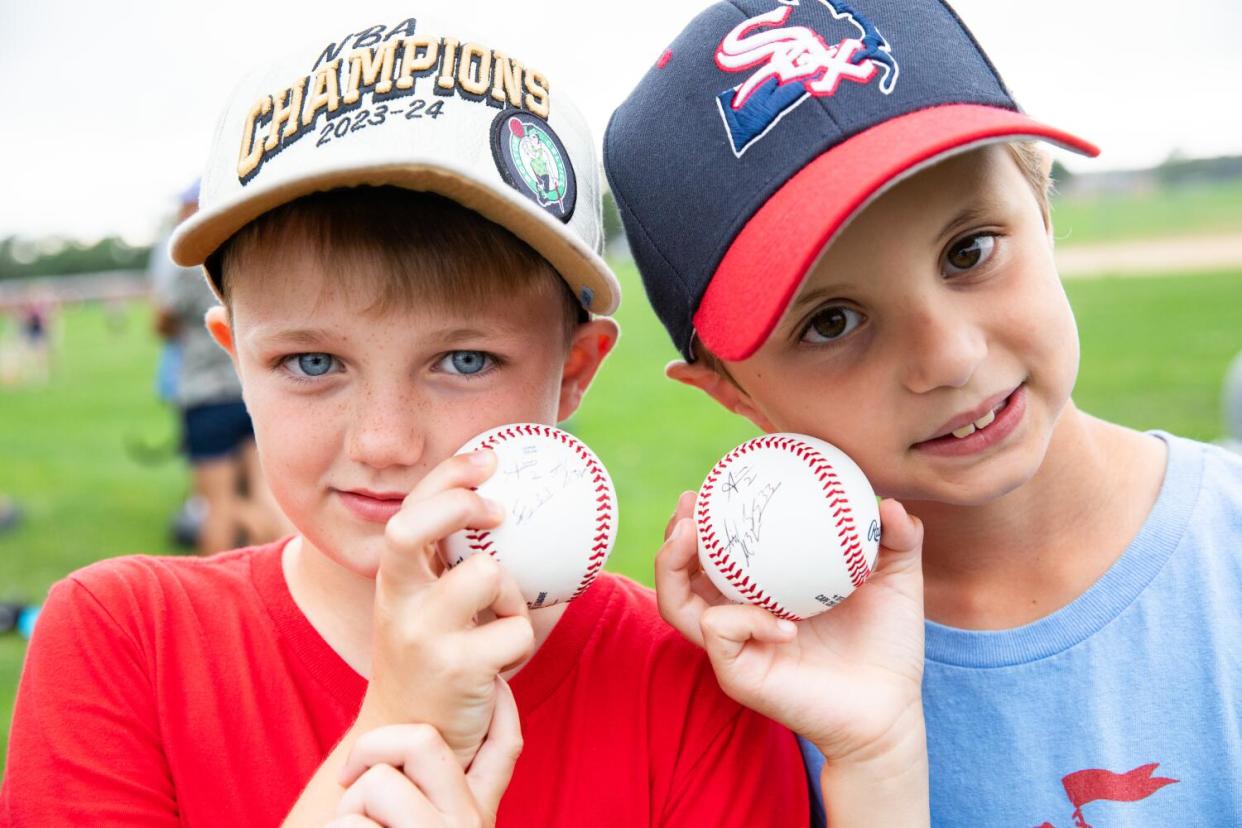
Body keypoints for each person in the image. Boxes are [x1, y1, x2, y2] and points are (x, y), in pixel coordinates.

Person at [0, 9, 810, 826]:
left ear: (573, 373)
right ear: (236, 359)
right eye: (311, 363)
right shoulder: (121, 643)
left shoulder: (685, 683)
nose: (384, 443)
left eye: (464, 361)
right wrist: (396, 725)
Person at [604, 0, 1242, 825]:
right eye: (830, 322)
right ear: (733, 392)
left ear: (1040, 202)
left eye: (969, 249)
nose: (950, 357)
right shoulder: (744, 690)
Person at [150, 181, 291, 554]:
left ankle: (223, 599)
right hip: (250, 388)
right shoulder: (247, 254)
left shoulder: (185, 266)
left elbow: (163, 324)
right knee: (266, 493)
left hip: (204, 396)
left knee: (218, 506)